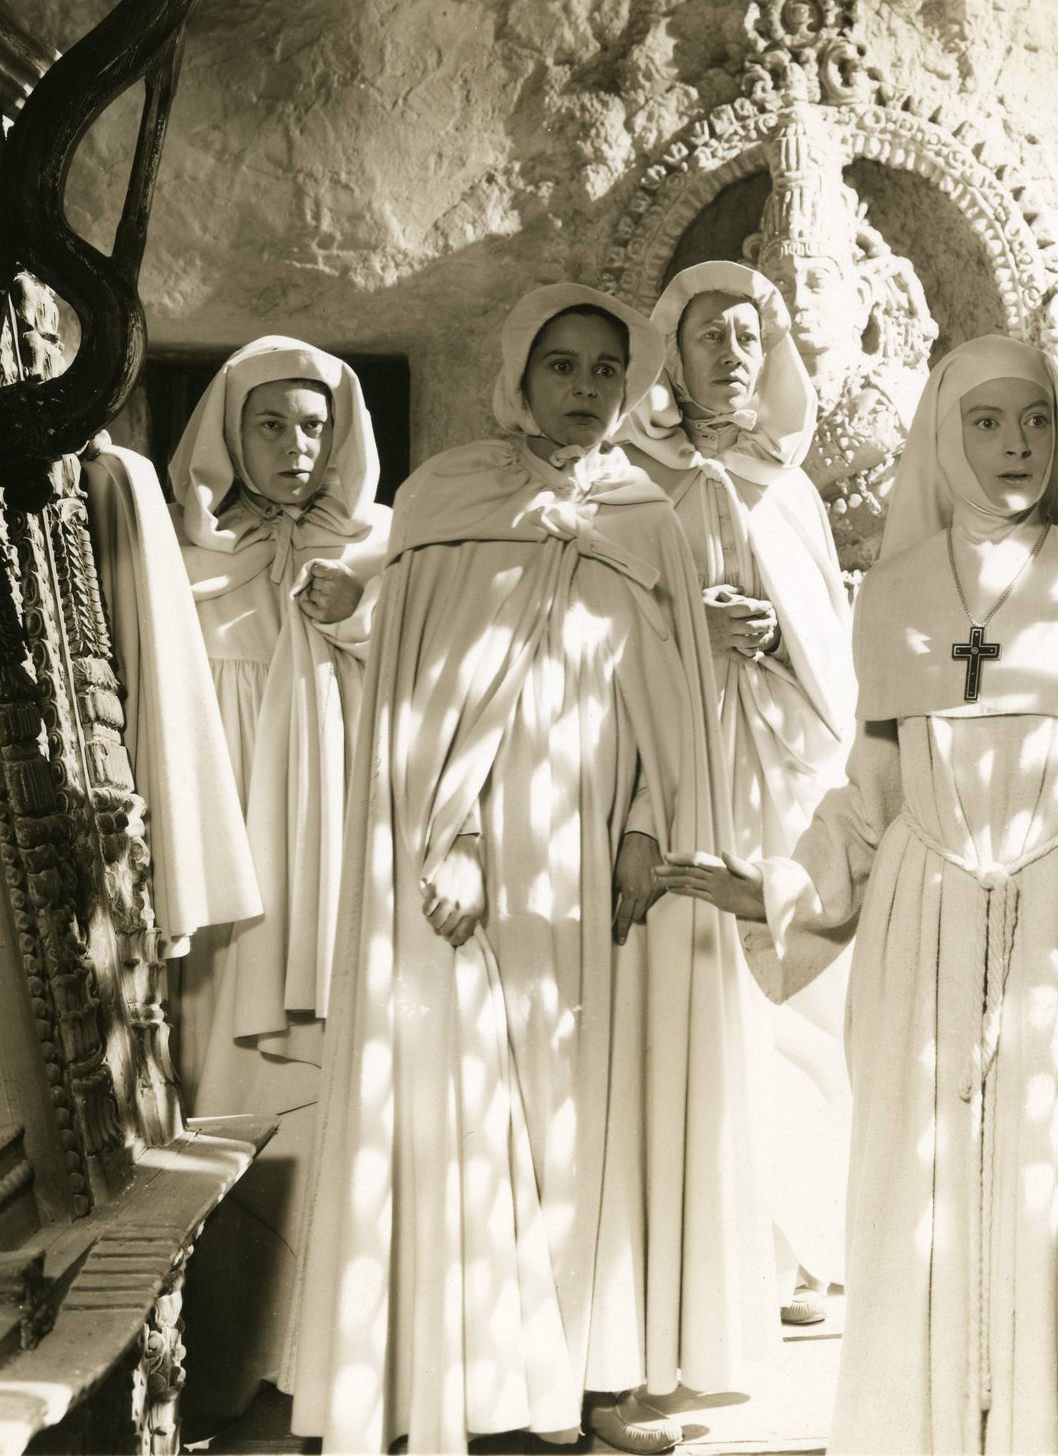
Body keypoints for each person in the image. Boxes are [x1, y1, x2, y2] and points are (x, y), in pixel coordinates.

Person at [660, 335, 1058, 1454]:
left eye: (1033, 420)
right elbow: (870, 799)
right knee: (922, 1210)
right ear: (945, 437)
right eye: (986, 422)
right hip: (924, 934)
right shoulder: (896, 592)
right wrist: (777, 887)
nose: (1014, 444)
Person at [289, 284, 773, 1456]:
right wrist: (443, 839)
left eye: (606, 370)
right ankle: (471, 1373)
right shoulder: (450, 499)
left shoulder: (645, 516)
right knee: (466, 1098)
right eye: (561, 366)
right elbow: (421, 696)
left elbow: (670, 703)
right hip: (468, 864)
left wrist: (649, 830)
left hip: (589, 859)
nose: (584, 388)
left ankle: (593, 1376)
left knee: (589, 1103)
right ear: (519, 374)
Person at [620, 260, 856, 1323]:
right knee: (692, 990)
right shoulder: (628, 482)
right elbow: (601, 628)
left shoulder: (786, 487)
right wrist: (683, 636)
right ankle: (710, 1259)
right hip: (671, 768)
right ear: (670, 350)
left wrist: (770, 644)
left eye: (749, 337)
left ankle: (806, 1249)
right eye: (708, 335)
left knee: (783, 986)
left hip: (772, 766)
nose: (730, 354)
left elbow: (832, 656)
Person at [165, 336, 392, 1419]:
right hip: (231, 867)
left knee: (340, 1079)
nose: (296, 448)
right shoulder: (180, 558)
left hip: (342, 852)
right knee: (224, 1075)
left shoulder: (384, 550)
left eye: (314, 426)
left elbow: (421, 686)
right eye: (270, 425)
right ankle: (224, 1351)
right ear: (227, 432)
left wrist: (350, 612)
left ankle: (329, 1362)